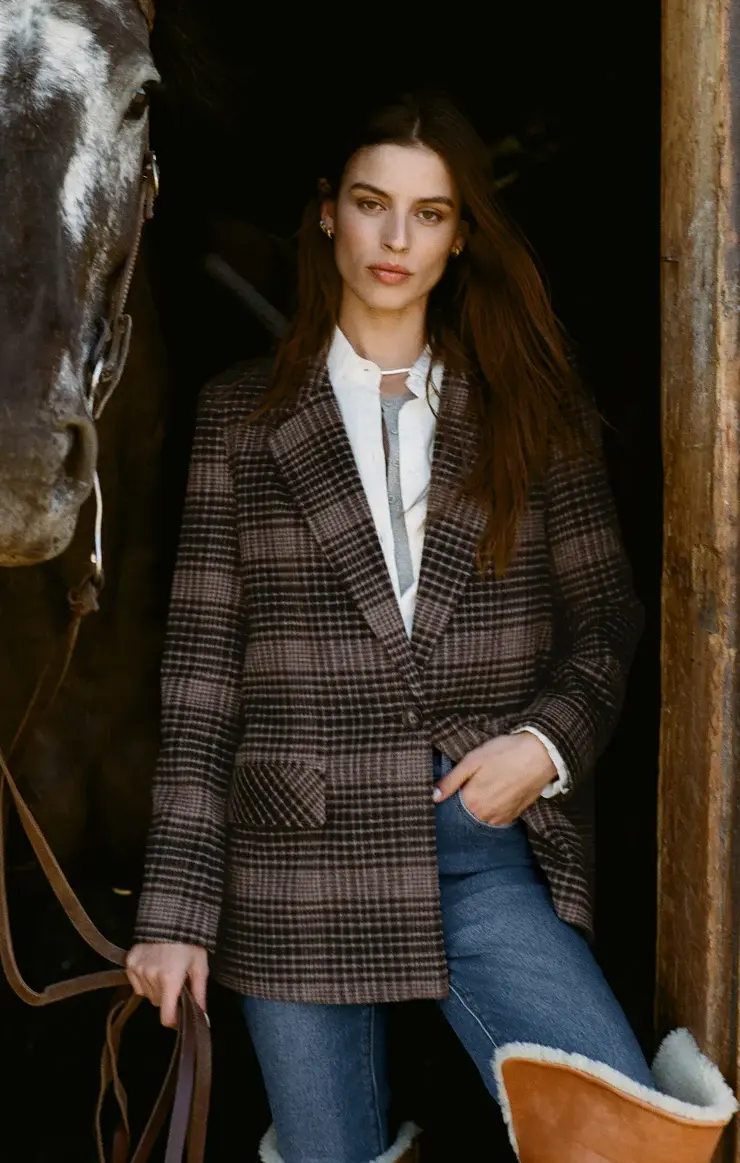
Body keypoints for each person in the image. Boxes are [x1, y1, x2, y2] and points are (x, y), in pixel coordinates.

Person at [126, 91, 691, 1163]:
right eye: (370, 203)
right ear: (326, 213)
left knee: (624, 1140)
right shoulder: (240, 417)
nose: (395, 238)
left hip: (473, 839)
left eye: (428, 213)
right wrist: (173, 909)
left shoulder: (534, 408)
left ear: (460, 234)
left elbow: (608, 616)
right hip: (294, 860)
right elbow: (201, 680)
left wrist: (545, 746)